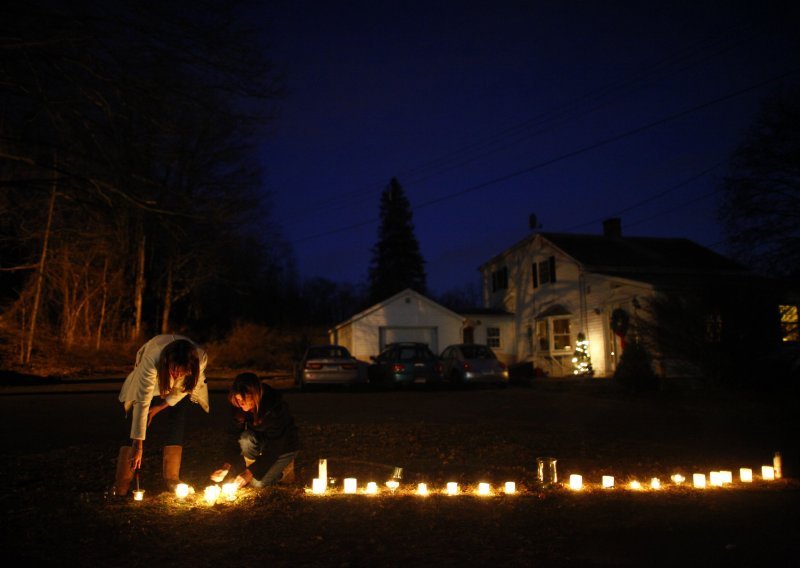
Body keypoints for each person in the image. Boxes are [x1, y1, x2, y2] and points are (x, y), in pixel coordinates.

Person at [113, 334, 210, 496]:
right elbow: (142, 399)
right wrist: (138, 445)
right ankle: (122, 481)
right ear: (167, 362)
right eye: (174, 370)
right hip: (151, 382)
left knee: (177, 420)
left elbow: (185, 388)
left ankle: (172, 478)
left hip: (181, 390)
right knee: (134, 422)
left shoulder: (200, 359)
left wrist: (160, 407)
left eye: (182, 372)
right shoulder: (153, 356)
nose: (177, 375)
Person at [210, 372, 299, 488]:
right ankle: (256, 469)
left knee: (257, 484)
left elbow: (275, 447)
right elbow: (233, 435)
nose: (241, 404)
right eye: (238, 399)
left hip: (283, 446)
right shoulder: (238, 405)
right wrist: (226, 466)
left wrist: (249, 473)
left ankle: (285, 471)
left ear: (255, 395)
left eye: (245, 399)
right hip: (262, 441)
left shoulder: (274, 407)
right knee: (246, 438)